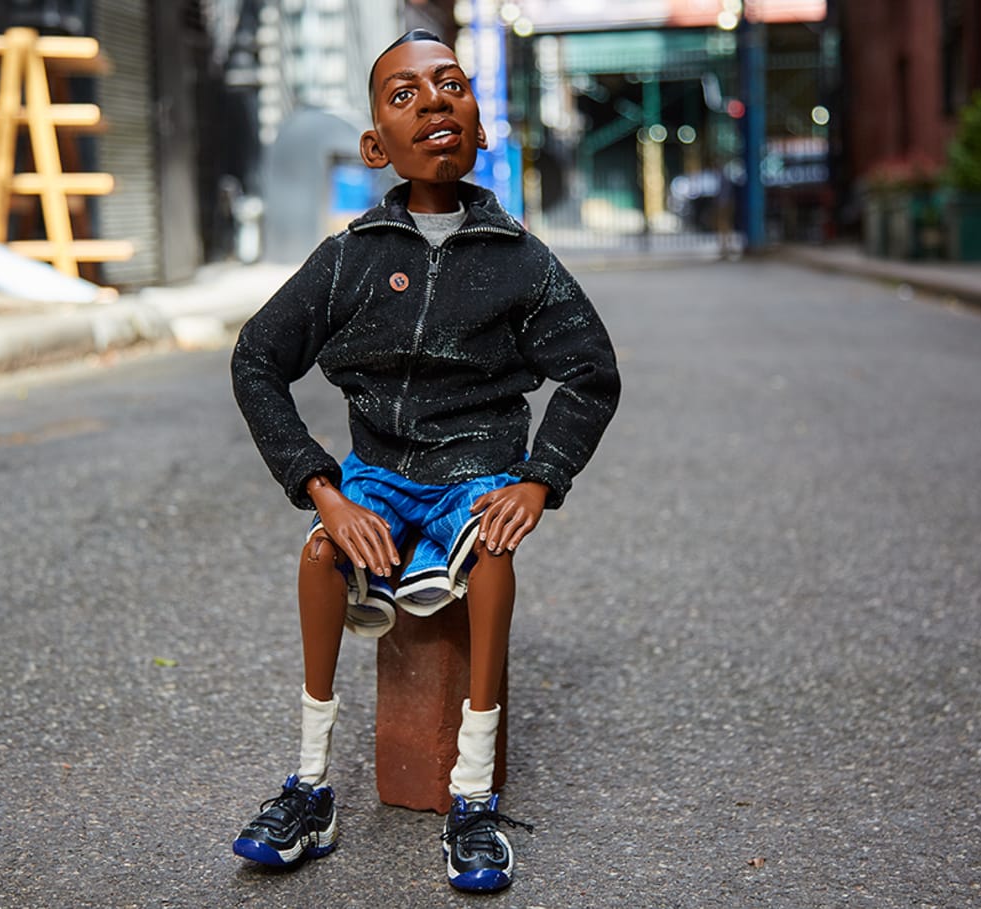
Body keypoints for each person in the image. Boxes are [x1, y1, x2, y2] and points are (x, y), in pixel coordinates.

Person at [228, 28, 619, 893]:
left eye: (452, 85)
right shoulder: (349, 260)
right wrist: (321, 488)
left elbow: (592, 374)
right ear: (374, 147)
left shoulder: (520, 262)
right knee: (322, 556)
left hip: (478, 473)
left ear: (482, 124)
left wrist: (539, 476)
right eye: (404, 95)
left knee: (491, 557)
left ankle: (471, 798)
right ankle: (310, 785)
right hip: (372, 476)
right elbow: (256, 359)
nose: (435, 101)